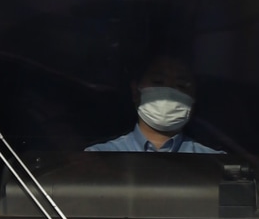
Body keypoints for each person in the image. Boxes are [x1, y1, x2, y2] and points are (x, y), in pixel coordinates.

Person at [86, 56, 222, 154]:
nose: (169, 92)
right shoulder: (100, 156)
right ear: (135, 91)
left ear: (193, 97)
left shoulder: (214, 163)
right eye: (158, 82)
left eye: (181, 85)